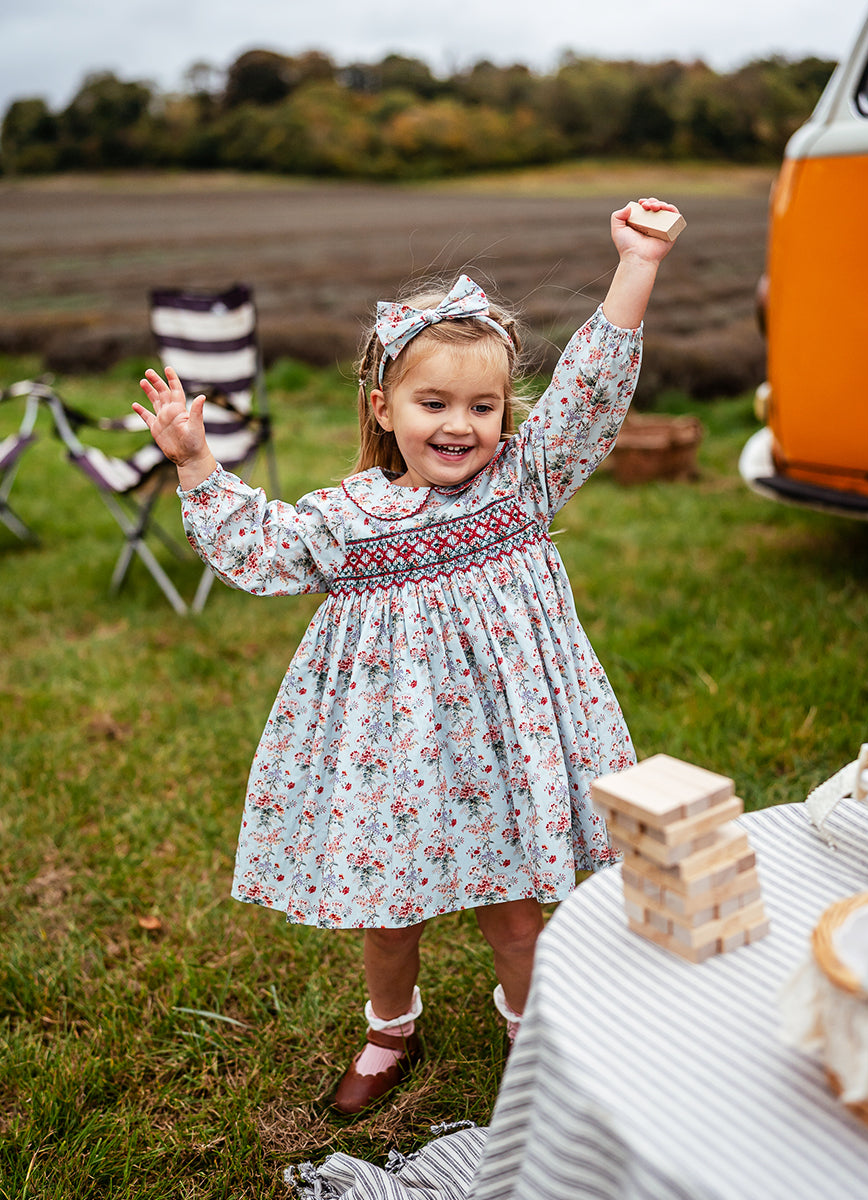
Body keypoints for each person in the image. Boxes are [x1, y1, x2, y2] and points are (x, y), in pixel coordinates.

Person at [134, 198, 680, 1116]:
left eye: (482, 406)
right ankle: (390, 1027)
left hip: (510, 743)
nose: (460, 425)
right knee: (391, 915)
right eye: (434, 403)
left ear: (507, 412)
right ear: (385, 409)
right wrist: (195, 463)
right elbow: (261, 549)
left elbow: (590, 388)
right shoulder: (350, 519)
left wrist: (638, 263)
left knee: (518, 915)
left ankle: (535, 1032)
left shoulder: (525, 483)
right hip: (398, 755)